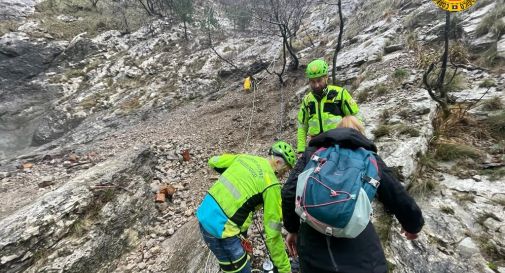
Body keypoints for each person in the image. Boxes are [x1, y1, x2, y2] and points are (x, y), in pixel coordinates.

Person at [282, 116, 424, 273]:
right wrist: (413, 226)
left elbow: (289, 191)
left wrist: (292, 229)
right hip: (358, 251)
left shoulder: (314, 153)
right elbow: (397, 194)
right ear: (360, 134)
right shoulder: (368, 157)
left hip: (313, 245)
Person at [196, 141, 297, 273]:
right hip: (222, 230)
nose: (284, 175)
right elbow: (273, 232)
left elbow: (214, 161)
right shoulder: (272, 185)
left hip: (204, 212)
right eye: (286, 170)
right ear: (278, 163)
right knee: (242, 269)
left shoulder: (246, 158)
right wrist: (284, 268)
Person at [297, 59, 363, 154]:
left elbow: (355, 116)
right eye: (312, 81)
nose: (316, 85)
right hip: (316, 144)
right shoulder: (307, 100)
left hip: (338, 141)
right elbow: (302, 126)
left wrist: (358, 140)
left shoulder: (340, 93)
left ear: (326, 77)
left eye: (319, 80)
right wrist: (301, 149)